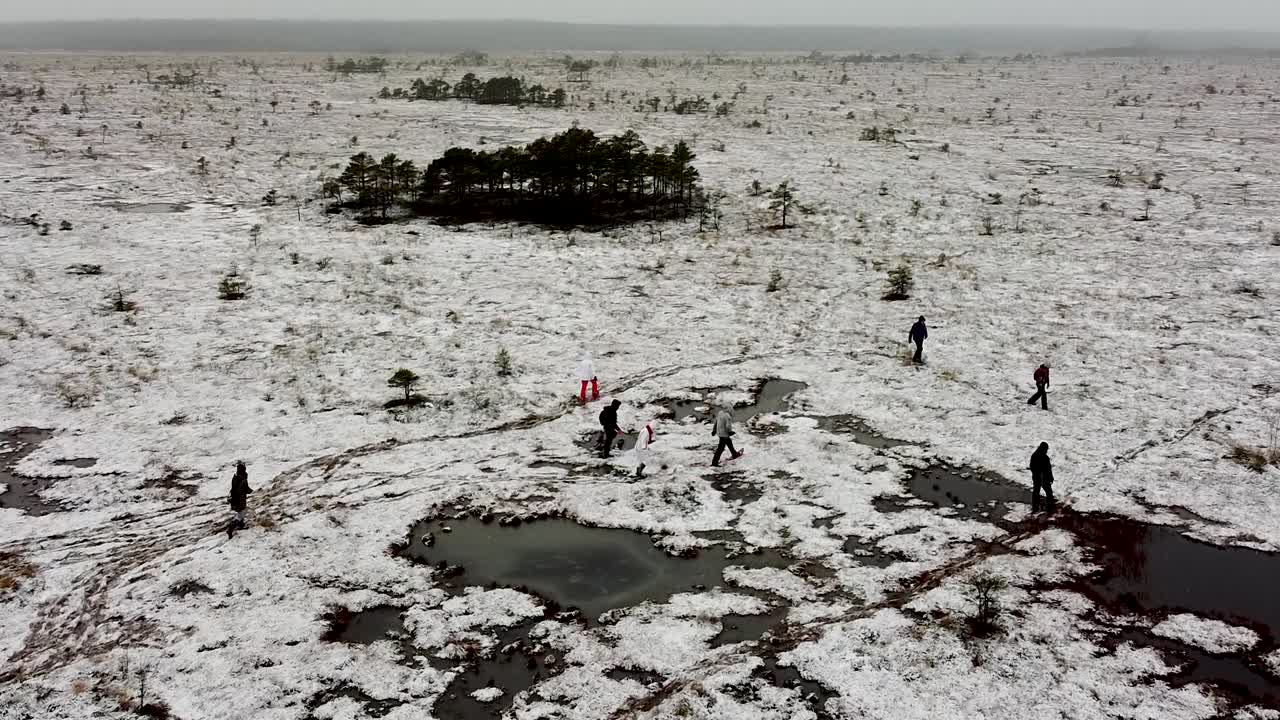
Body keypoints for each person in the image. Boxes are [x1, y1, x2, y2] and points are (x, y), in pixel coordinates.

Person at [228, 461, 252, 538]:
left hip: (235, 498)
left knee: (240, 512)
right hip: (240, 498)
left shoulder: (235, 476)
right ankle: (231, 529)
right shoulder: (242, 478)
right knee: (242, 512)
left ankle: (241, 525)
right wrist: (249, 491)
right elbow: (243, 488)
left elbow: (235, 488)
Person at [1029, 442, 1055, 514]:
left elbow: (1032, 467)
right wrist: (1050, 477)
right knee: (1048, 492)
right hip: (1043, 478)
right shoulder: (1044, 458)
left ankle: (1035, 508)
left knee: (1036, 492)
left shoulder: (1035, 456)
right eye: (1046, 449)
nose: (1046, 450)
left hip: (1038, 477)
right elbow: (1048, 469)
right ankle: (1049, 508)